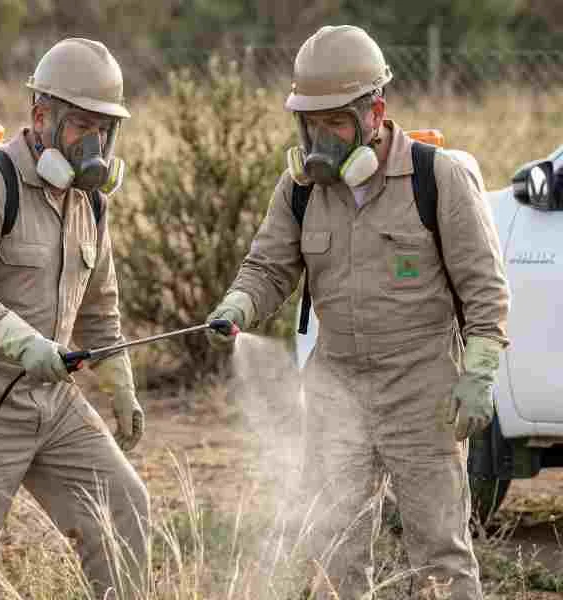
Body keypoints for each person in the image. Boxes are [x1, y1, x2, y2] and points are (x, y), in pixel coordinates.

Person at [206, 25, 509, 599]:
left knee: (440, 556)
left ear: (375, 112)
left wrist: (480, 373)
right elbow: (268, 268)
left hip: (422, 392)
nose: (322, 139)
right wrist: (238, 306)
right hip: (335, 391)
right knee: (334, 553)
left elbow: (485, 288)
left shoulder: (436, 178)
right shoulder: (298, 190)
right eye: (310, 125)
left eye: (336, 124)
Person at [0, 37, 148, 600]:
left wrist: (120, 383)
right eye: (80, 125)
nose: (94, 143)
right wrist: (24, 342)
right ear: (41, 116)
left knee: (124, 510)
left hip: (51, 400)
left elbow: (99, 306)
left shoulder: (91, 201)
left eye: (105, 129)